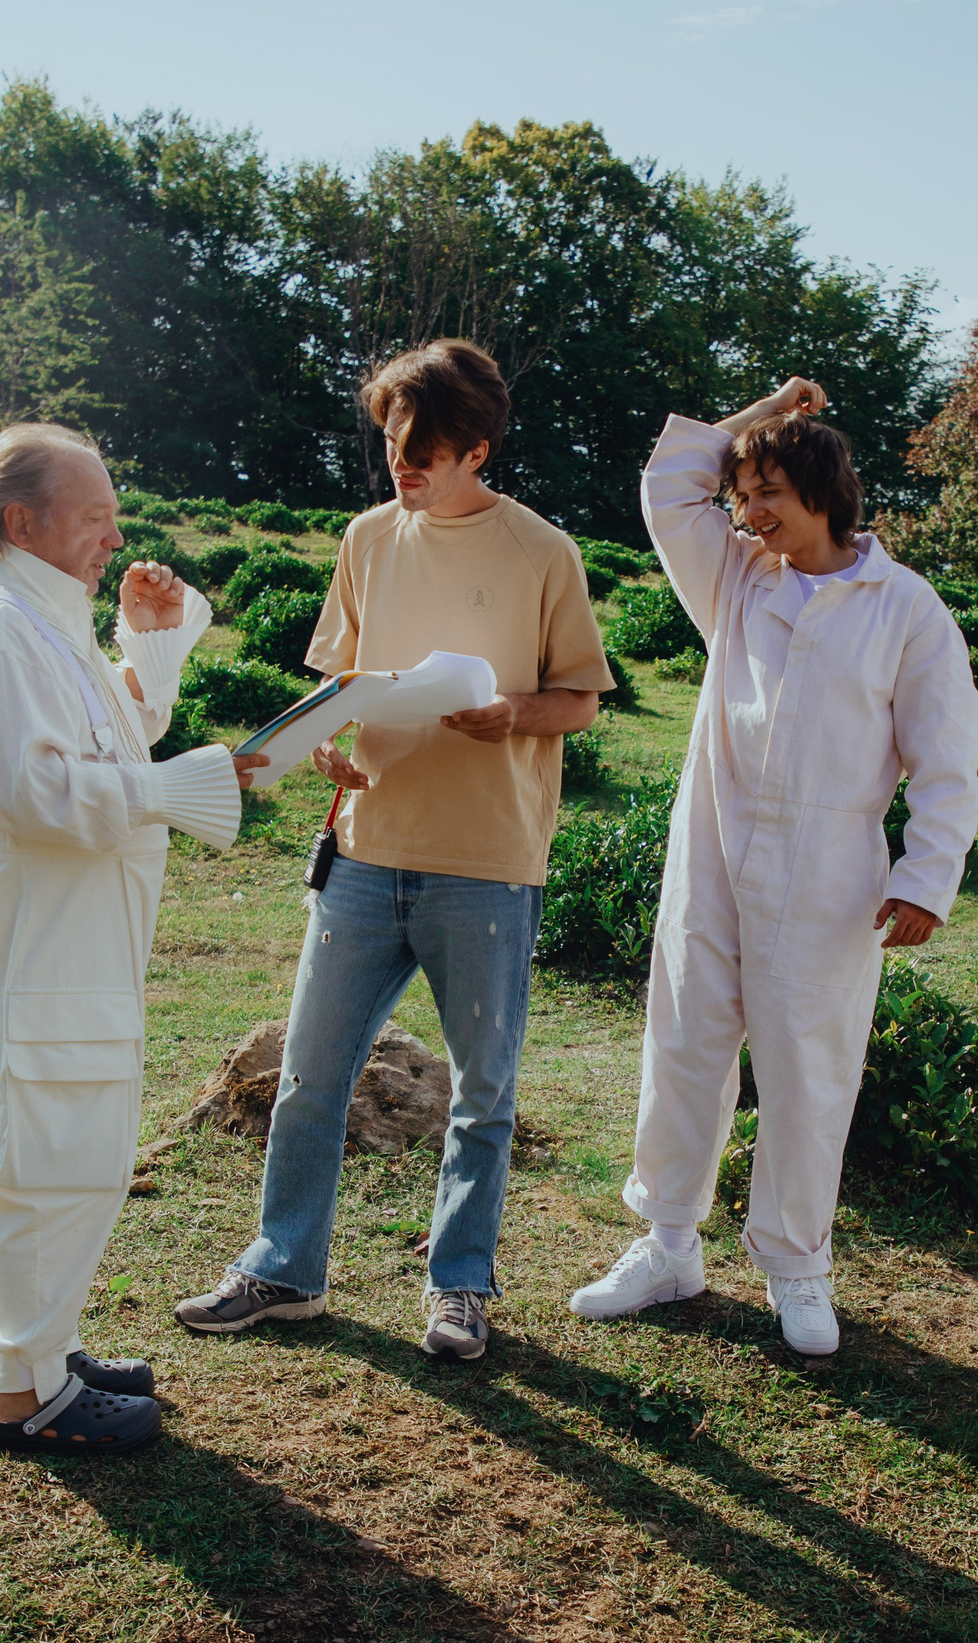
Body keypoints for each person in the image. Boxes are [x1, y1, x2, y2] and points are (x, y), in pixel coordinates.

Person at [175, 339, 615, 1360]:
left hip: (490, 859)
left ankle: (459, 1286)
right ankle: (283, 1268)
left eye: (420, 449)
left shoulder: (543, 551)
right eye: (388, 445)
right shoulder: (368, 537)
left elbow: (582, 702)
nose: (399, 468)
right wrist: (325, 742)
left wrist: (513, 711)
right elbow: (338, 681)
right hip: (366, 852)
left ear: (478, 447)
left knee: (482, 1094)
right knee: (309, 1076)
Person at [565, 378, 978, 1357]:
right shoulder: (737, 577)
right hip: (713, 834)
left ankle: (796, 1266)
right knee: (684, 1038)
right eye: (744, 494)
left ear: (826, 496)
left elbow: (947, 756)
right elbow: (669, 489)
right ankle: (668, 1242)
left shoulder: (905, 611)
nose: (747, 514)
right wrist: (755, 417)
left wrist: (925, 876)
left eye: (768, 496)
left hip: (829, 862)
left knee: (808, 1065)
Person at [0, 421, 251, 1454]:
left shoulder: (39, 614)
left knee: (70, 1140)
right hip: (40, 931)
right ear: (23, 520)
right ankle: (28, 1399)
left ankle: (36, 1352)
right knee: (49, 1149)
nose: (116, 535)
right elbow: (36, 790)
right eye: (95, 516)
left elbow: (113, 732)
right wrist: (190, 785)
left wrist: (148, 641)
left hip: (72, 928)